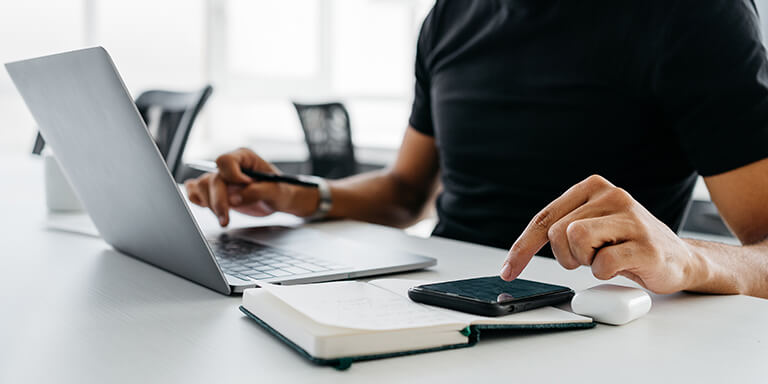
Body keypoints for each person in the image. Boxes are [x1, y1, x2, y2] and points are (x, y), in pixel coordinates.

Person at [185, 0, 768, 299]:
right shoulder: (450, 15)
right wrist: (292, 194)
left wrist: (691, 259)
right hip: (434, 301)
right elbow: (405, 193)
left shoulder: (695, 16)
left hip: (587, 318)